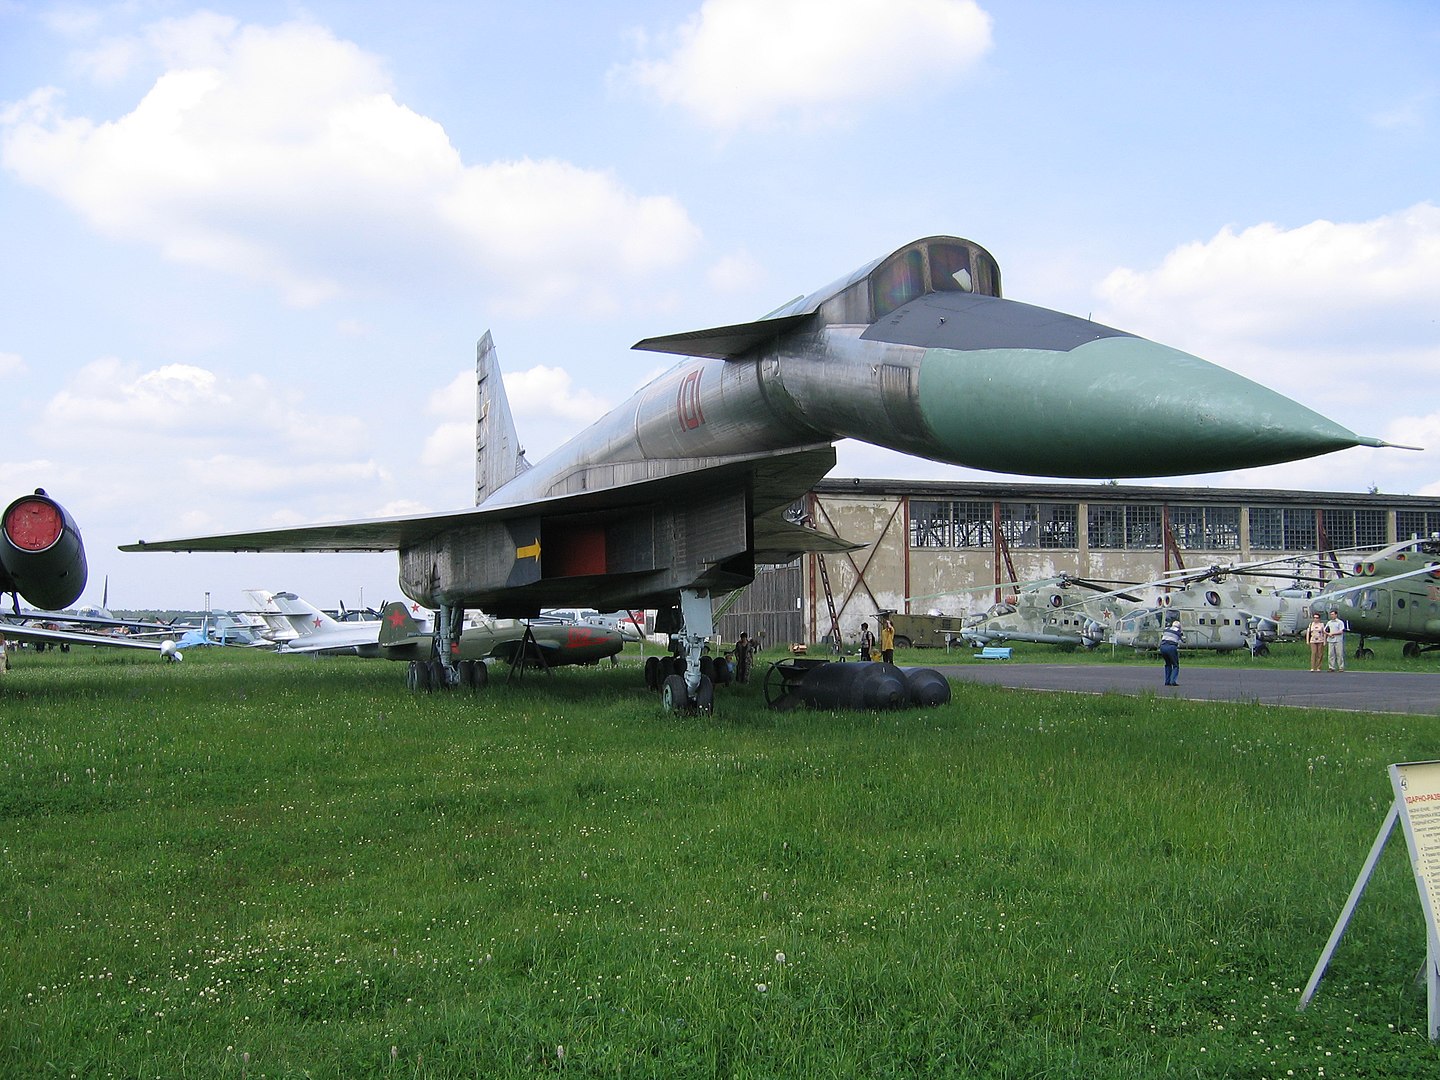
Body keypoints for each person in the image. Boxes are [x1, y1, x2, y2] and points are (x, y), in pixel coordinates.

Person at [1159, 619, 1183, 685]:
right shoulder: (1178, 631)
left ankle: (1167, 681)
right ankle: (1173, 681)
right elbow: (1183, 640)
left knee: (1167, 664)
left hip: (1162, 647)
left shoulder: (1166, 629)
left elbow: (1162, 637)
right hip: (1171, 647)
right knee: (1175, 665)